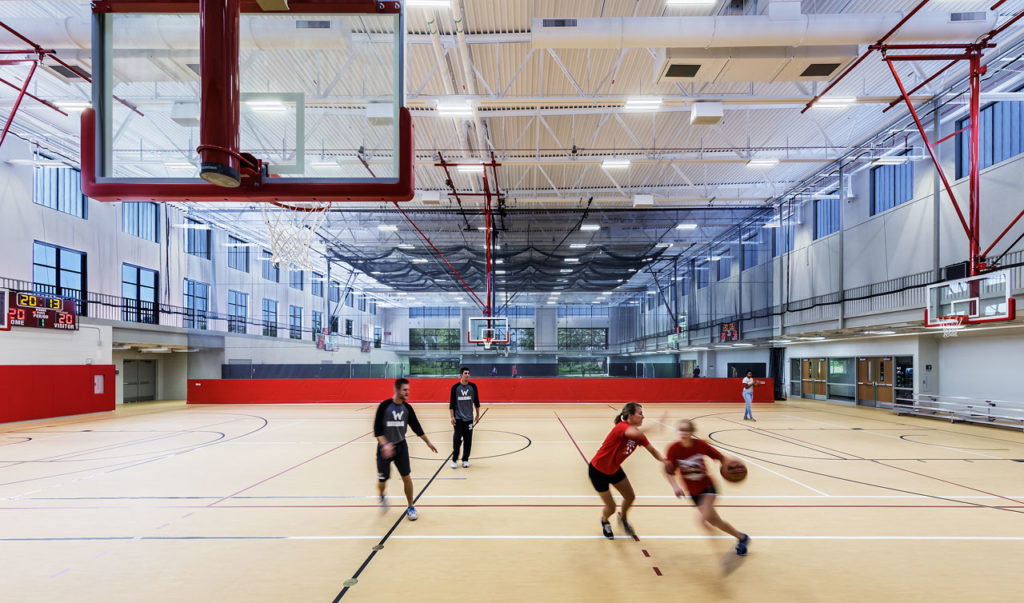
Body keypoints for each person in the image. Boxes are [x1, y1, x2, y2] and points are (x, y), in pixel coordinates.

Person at [664, 419, 750, 556]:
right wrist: (675, 486)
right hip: (693, 492)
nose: (683, 433)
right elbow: (668, 471)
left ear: (691, 432)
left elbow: (721, 458)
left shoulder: (701, 445)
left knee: (702, 520)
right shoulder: (673, 449)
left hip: (708, 488)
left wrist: (732, 464)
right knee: (716, 522)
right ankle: (742, 537)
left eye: (686, 430)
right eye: (681, 430)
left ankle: (727, 545)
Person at [588, 402, 665, 539]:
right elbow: (631, 433)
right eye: (640, 414)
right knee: (611, 507)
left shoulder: (639, 435)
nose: (643, 416)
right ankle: (605, 521)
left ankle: (623, 519)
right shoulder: (621, 427)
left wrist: (665, 460)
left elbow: (652, 450)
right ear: (630, 416)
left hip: (614, 469)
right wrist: (655, 426)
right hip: (598, 471)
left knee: (630, 497)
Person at [374, 378, 438, 521]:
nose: (408, 392)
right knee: (382, 481)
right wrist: (385, 445)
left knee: (406, 477)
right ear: (397, 390)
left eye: (408, 390)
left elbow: (416, 427)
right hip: (384, 449)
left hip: (401, 447)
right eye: (405, 390)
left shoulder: (407, 409)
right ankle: (382, 495)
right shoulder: (384, 406)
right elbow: (377, 431)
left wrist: (428, 442)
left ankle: (411, 506)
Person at [449, 367, 481, 469]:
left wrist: (477, 415)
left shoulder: (473, 387)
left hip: (469, 419)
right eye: (465, 373)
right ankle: (454, 460)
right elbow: (452, 404)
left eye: (468, 373)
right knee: (457, 439)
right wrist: (451, 417)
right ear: (461, 375)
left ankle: (465, 459)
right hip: (458, 419)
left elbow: (476, 402)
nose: (467, 375)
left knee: (468, 440)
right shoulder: (455, 388)